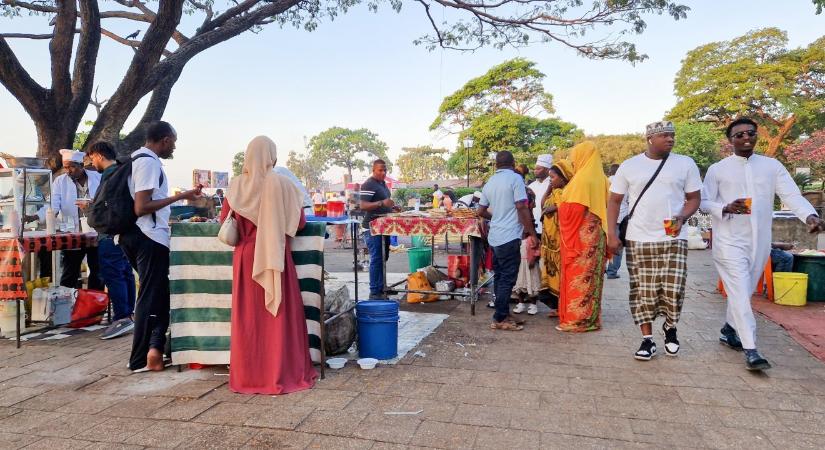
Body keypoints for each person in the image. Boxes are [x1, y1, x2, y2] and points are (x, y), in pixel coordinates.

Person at [701, 117, 825, 370]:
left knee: (743, 292)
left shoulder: (771, 166)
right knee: (739, 290)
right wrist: (724, 206)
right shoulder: (718, 169)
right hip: (729, 240)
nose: (746, 137)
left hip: (759, 241)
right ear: (730, 141)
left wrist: (810, 215)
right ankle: (751, 348)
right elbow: (703, 202)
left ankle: (729, 330)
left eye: (750, 133)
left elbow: (790, 195)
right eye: (739, 135)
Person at [220, 135, 317, 394]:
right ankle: (281, 373)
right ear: (272, 156)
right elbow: (299, 224)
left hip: (246, 258)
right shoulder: (282, 184)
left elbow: (224, 222)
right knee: (278, 319)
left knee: (249, 320)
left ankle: (249, 376)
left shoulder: (236, 186)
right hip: (274, 256)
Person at [608, 121, 702, 360]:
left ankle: (670, 328)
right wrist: (612, 233)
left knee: (674, 288)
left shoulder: (685, 163)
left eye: (672, 135)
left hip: (673, 236)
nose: (670, 139)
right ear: (650, 138)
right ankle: (647, 340)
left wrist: (682, 216)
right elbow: (615, 201)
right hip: (638, 237)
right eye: (664, 135)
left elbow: (693, 198)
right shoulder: (630, 166)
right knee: (643, 291)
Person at [119, 121, 202, 372]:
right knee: (149, 297)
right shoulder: (148, 162)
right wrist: (181, 196)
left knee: (159, 294)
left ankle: (154, 350)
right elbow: (142, 206)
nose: (174, 147)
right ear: (165, 140)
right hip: (148, 237)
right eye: (173, 142)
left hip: (142, 235)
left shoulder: (138, 159)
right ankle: (139, 359)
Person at [478, 151, 539, 331]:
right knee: (507, 279)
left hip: (495, 237)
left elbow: (480, 211)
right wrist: (532, 233)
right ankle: (499, 318)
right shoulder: (515, 179)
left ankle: (502, 313)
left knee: (499, 277)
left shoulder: (490, 182)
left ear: (496, 164)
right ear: (513, 163)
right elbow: (521, 206)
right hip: (510, 236)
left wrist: (497, 216)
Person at [85, 141, 137, 340]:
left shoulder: (110, 175)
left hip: (110, 233)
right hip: (124, 232)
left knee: (114, 274)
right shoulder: (123, 171)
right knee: (125, 273)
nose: (92, 163)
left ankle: (122, 317)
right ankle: (129, 315)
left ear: (98, 155)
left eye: (92, 158)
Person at [557, 142, 609, 333]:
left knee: (577, 278)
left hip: (580, 240)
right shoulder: (602, 179)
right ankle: (591, 320)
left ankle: (575, 321)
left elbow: (573, 211)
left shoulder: (581, 180)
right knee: (593, 279)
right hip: (598, 238)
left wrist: (559, 204)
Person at [52, 149, 103, 290]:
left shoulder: (98, 177)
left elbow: (105, 200)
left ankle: (94, 305)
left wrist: (92, 204)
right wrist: (39, 217)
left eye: (72, 167)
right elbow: (53, 206)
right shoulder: (60, 181)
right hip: (73, 234)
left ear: (81, 165)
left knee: (97, 272)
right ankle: (67, 305)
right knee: (70, 272)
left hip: (96, 233)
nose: (68, 171)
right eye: (66, 167)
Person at [539, 160, 574, 318]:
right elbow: (542, 205)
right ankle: (557, 308)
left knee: (559, 276)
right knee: (551, 275)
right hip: (549, 242)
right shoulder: (554, 192)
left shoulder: (566, 192)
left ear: (563, 177)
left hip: (559, 242)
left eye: (553, 177)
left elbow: (565, 208)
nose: (551, 180)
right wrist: (549, 186)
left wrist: (552, 208)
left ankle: (562, 308)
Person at [360, 160, 396, 299]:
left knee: (383, 257)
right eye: (380, 170)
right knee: (376, 258)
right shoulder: (369, 184)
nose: (383, 173)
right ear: (373, 170)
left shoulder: (382, 184)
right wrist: (382, 203)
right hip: (371, 227)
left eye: (385, 170)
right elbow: (363, 205)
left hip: (382, 226)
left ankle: (382, 286)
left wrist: (391, 207)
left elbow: (384, 203)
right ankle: (375, 291)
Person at [512, 186, 541, 315]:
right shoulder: (516, 217)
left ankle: (533, 305)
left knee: (532, 281)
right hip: (519, 258)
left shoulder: (530, 219)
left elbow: (537, 245)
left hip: (529, 259)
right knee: (520, 283)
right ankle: (521, 303)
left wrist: (534, 257)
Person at [606, 164, 630, 279]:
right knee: (617, 244)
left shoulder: (605, 181)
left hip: (606, 216)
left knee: (605, 243)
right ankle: (612, 271)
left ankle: (602, 268)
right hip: (620, 218)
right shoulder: (625, 182)